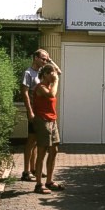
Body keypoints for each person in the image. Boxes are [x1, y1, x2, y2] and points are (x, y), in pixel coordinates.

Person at [21, 49, 61, 181]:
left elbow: (58, 72)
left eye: (46, 59)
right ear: (35, 58)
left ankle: (34, 170)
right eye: (43, 59)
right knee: (31, 141)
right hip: (35, 112)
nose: (45, 61)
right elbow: (25, 93)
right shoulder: (29, 73)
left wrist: (50, 60)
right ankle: (26, 171)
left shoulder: (42, 72)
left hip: (42, 112)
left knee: (39, 142)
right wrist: (30, 111)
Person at [32, 63, 65, 194]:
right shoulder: (40, 87)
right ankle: (38, 184)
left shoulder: (49, 85)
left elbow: (59, 71)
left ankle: (49, 182)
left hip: (52, 120)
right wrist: (56, 80)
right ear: (45, 75)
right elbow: (51, 95)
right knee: (42, 151)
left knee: (54, 150)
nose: (55, 75)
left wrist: (51, 62)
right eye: (51, 73)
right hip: (43, 121)